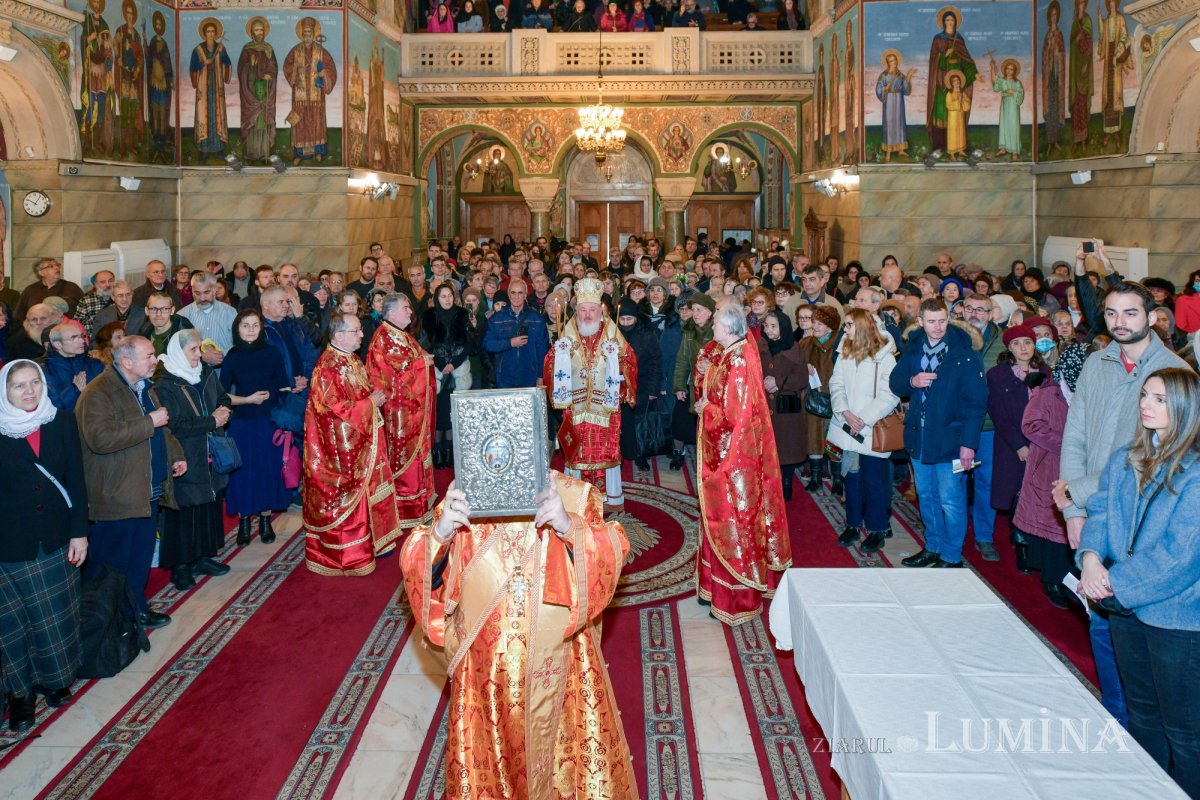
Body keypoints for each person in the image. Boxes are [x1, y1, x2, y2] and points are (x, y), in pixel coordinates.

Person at [400, 472, 638, 799]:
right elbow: (423, 572)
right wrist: (441, 533)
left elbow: (609, 553)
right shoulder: (468, 495)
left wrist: (568, 527)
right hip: (483, 677)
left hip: (562, 676)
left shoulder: (571, 495)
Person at [1055, 282, 1191, 726]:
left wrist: (1076, 494)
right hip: (1098, 520)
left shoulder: (1171, 374)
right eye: (1112, 314)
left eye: (1131, 313)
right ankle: (1116, 723)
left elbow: (1136, 461)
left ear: (1151, 317)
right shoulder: (1098, 361)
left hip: (1138, 524)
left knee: (1142, 654)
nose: (1120, 323)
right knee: (1103, 630)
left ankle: (1136, 734)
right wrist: (1075, 512)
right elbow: (1074, 435)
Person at [1076, 367, 1200, 798]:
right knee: (1141, 712)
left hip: (1175, 616)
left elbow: (1181, 556)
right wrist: (1091, 559)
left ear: (1185, 407)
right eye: (1145, 395)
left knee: (1183, 730)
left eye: (1160, 399)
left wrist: (1114, 583)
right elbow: (1103, 511)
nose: (1146, 403)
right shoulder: (1126, 456)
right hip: (1124, 604)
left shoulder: (1196, 472)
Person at [0, 360, 88, 732]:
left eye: (35, 382)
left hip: (55, 537)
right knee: (14, 626)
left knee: (56, 617)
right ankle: (20, 695)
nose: (29, 391)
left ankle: (55, 680)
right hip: (10, 544)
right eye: (19, 386)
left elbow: (77, 480)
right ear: (4, 392)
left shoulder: (62, 421)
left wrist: (79, 531)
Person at [77, 336, 186, 628]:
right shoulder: (97, 393)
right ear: (127, 362)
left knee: (139, 557)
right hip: (118, 495)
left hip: (145, 489)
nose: (155, 360)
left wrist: (175, 454)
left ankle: (135, 609)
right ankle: (102, 621)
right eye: (149, 356)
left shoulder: (144, 387)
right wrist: (149, 421)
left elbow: (163, 429)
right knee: (112, 562)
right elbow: (100, 439)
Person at [696, 301, 790, 624]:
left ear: (729, 328)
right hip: (733, 453)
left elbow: (732, 416)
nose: (711, 329)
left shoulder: (738, 361)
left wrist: (704, 409)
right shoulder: (733, 354)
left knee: (733, 522)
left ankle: (737, 599)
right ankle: (714, 588)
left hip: (734, 460)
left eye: (716, 325)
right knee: (723, 521)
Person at [890, 298, 987, 569]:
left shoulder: (965, 353)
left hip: (951, 439)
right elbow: (895, 382)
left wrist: (969, 444)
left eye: (942, 320)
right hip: (920, 436)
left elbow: (976, 403)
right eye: (931, 321)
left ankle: (952, 554)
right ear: (920, 321)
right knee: (926, 494)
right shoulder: (913, 348)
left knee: (951, 500)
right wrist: (913, 381)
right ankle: (933, 545)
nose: (938, 327)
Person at [303, 313, 399, 575]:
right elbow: (331, 411)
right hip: (340, 450)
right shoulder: (327, 368)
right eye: (355, 331)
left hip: (366, 438)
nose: (361, 335)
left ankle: (376, 540)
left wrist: (371, 399)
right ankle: (349, 554)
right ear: (338, 335)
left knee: (373, 487)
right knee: (350, 491)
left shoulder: (351, 359)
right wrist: (370, 404)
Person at [544, 278, 638, 511]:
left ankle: (609, 500)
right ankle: (575, 499)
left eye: (592, 310)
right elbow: (549, 364)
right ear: (577, 309)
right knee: (577, 452)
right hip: (576, 407)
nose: (587, 315)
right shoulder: (567, 331)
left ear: (600, 309)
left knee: (603, 452)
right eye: (583, 309)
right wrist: (557, 357)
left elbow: (630, 361)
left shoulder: (611, 330)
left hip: (604, 408)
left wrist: (619, 363)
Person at [154, 330, 233, 591]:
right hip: (184, 454)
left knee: (207, 505)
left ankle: (201, 557)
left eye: (199, 348)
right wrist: (211, 420)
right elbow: (173, 424)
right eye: (192, 350)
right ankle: (181, 566)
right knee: (183, 510)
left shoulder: (206, 373)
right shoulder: (166, 383)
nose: (198, 355)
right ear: (178, 351)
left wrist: (222, 411)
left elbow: (222, 397)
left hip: (208, 451)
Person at [1014, 342, 1089, 607]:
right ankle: (1053, 580)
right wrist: (1070, 443)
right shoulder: (1049, 392)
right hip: (1049, 467)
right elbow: (1031, 425)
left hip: (1078, 470)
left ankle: (1067, 578)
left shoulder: (1087, 394)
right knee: (1053, 528)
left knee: (1071, 524)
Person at [828, 309, 899, 552]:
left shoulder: (885, 357)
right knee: (851, 477)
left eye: (848, 325)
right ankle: (852, 524)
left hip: (870, 428)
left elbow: (889, 395)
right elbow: (836, 383)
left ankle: (877, 528)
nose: (845, 330)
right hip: (848, 425)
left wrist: (863, 418)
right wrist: (845, 412)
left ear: (862, 326)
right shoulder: (845, 352)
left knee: (873, 480)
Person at [220, 309, 292, 546]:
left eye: (254, 325)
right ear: (237, 329)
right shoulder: (232, 356)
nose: (250, 330)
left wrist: (283, 405)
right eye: (245, 325)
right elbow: (222, 395)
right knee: (242, 474)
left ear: (261, 328)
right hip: (241, 422)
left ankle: (265, 520)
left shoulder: (272, 353)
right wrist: (248, 400)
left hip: (268, 423)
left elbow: (283, 388)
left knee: (266, 471)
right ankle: (243, 522)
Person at [368, 294, 437, 534]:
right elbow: (389, 378)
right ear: (391, 312)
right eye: (406, 308)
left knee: (419, 455)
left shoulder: (401, 335)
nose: (410, 312)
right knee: (405, 459)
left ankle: (422, 505)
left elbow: (412, 360)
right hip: (399, 414)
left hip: (412, 412)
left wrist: (421, 361)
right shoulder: (384, 338)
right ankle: (408, 509)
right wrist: (422, 364)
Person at [986, 325, 1048, 553]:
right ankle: (1021, 545)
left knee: (1037, 494)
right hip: (1011, 445)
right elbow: (998, 414)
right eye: (1016, 343)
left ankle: (1035, 544)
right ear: (1009, 348)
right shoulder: (998, 375)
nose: (1023, 348)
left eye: (1028, 342)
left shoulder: (1046, 372)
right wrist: (1019, 445)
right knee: (1016, 493)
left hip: (1042, 445)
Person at [758, 309, 808, 499]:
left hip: (785, 408)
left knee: (786, 448)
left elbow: (801, 378)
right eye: (766, 326)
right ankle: (766, 483)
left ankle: (786, 482)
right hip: (764, 405)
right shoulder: (761, 345)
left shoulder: (793, 348)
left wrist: (778, 382)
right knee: (766, 447)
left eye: (773, 326)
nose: (768, 330)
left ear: (783, 328)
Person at [422, 284, 472, 469]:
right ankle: (438, 452)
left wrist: (454, 363)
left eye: (450, 295)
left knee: (454, 415)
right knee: (440, 414)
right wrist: (442, 364)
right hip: (438, 370)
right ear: (437, 298)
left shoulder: (463, 314)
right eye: (443, 296)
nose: (447, 299)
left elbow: (469, 342)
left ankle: (452, 452)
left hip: (458, 370)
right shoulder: (428, 316)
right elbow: (426, 343)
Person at [617, 297, 661, 470]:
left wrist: (653, 388)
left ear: (636, 318)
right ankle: (619, 454)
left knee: (640, 422)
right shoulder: (612, 334)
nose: (626, 323)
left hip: (641, 385)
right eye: (623, 319)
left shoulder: (647, 335)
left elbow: (655, 362)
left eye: (630, 319)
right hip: (619, 386)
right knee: (621, 423)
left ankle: (640, 454)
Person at [798, 305, 839, 492]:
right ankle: (815, 478)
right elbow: (794, 367)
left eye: (818, 323)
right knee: (812, 437)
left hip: (836, 399)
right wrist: (803, 366)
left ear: (830, 327)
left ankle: (838, 480)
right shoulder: (806, 343)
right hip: (811, 399)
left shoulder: (841, 345)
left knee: (835, 439)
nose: (813, 326)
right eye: (813, 322)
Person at [483, 279, 549, 388]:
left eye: (520, 293)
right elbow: (488, 345)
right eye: (513, 292)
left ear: (525, 295)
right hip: (504, 378)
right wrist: (509, 343)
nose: (516, 296)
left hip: (529, 378)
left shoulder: (536, 319)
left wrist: (540, 376)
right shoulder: (496, 319)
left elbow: (542, 351)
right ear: (509, 294)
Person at [43, 323, 106, 412]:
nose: (82, 341)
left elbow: (109, 395)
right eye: (74, 338)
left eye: (81, 336)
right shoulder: (46, 371)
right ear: (58, 344)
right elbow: (52, 408)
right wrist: (75, 390)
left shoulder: (95, 364)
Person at [179, 272, 237, 356]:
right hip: (194, 367)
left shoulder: (230, 312)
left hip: (226, 365)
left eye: (206, 292)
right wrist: (202, 356)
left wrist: (220, 355)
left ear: (214, 290)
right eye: (197, 293)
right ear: (192, 291)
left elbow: (239, 343)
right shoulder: (182, 315)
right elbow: (178, 348)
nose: (202, 298)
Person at [14, 258, 84, 323]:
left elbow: (85, 309)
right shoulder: (30, 290)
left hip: (65, 332)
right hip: (37, 332)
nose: (56, 267)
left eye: (57, 265)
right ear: (41, 273)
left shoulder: (71, 287)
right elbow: (18, 316)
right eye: (51, 266)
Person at [74, 269, 116, 338]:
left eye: (110, 281)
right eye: (103, 282)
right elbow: (77, 323)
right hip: (94, 341)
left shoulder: (121, 298)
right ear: (96, 284)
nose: (108, 285)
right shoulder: (86, 301)